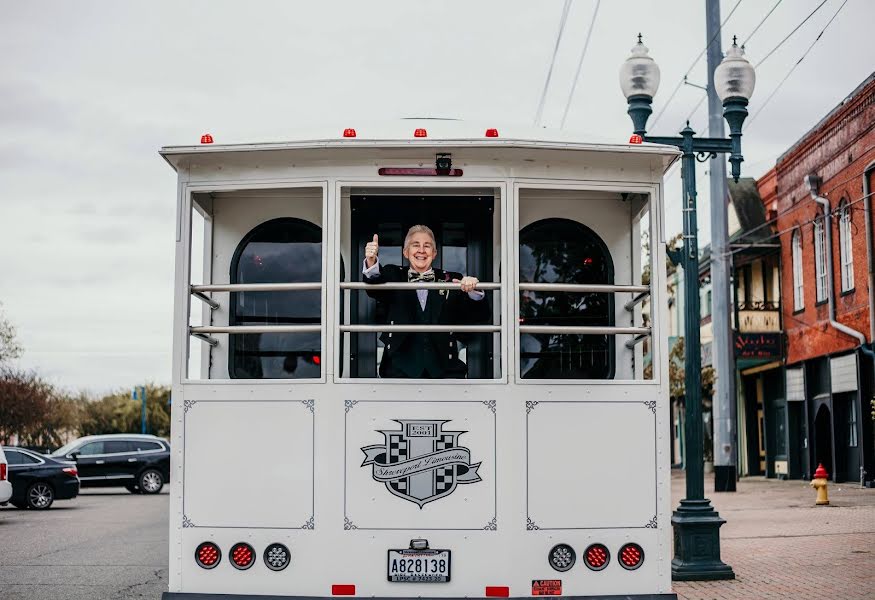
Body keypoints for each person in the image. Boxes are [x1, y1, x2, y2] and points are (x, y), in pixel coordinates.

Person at [362, 225, 490, 378]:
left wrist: (473, 291)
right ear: (406, 252)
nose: (421, 250)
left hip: (445, 370)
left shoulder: (452, 278)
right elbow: (374, 287)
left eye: (427, 246)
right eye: (415, 245)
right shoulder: (393, 274)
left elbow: (478, 317)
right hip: (398, 369)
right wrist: (371, 261)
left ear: (434, 253)